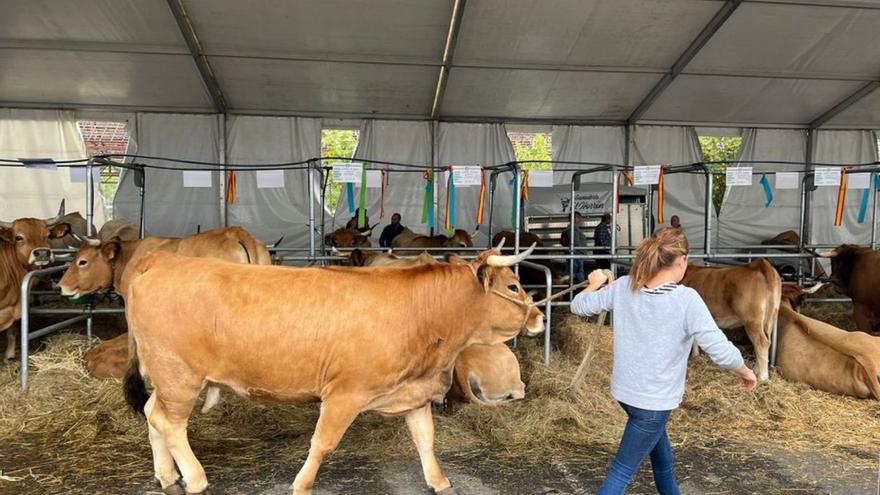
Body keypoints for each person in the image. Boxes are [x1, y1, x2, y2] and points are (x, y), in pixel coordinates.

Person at [571, 228, 757, 495]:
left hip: (627, 394)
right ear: (681, 260)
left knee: (663, 459)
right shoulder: (685, 299)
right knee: (621, 473)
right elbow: (718, 348)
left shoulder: (625, 286)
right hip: (654, 403)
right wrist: (744, 369)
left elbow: (579, 306)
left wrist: (593, 283)